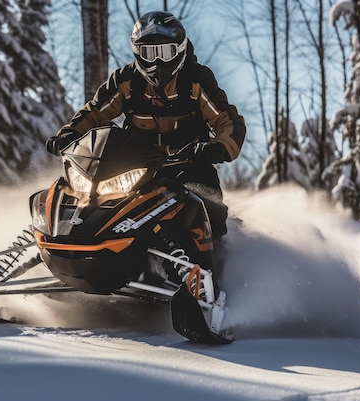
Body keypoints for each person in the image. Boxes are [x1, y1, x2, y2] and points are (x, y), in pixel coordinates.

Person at [46, 11, 246, 242]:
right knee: (87, 199)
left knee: (209, 210)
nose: (157, 63)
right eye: (148, 53)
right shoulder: (126, 80)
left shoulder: (196, 80)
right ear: (136, 52)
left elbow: (226, 120)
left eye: (164, 52)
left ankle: (210, 267)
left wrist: (218, 147)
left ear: (179, 50)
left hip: (187, 165)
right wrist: (69, 135)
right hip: (135, 170)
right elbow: (95, 112)